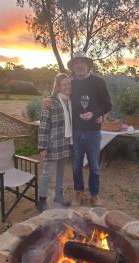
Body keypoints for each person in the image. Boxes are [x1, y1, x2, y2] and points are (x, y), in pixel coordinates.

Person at [68, 51, 112, 206]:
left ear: (87, 65)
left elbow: (107, 104)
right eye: (76, 63)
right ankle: (78, 192)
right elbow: (59, 96)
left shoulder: (98, 82)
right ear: (73, 66)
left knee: (94, 166)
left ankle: (94, 194)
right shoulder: (71, 84)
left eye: (82, 62)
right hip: (76, 131)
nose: (79, 65)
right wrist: (47, 100)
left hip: (93, 131)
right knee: (76, 165)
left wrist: (95, 114)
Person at [37, 73, 72, 212]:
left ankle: (58, 196)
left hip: (65, 142)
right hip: (52, 144)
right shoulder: (50, 102)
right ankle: (42, 200)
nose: (67, 87)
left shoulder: (70, 101)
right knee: (47, 173)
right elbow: (44, 125)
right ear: (57, 87)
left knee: (61, 172)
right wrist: (42, 146)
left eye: (69, 84)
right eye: (64, 84)